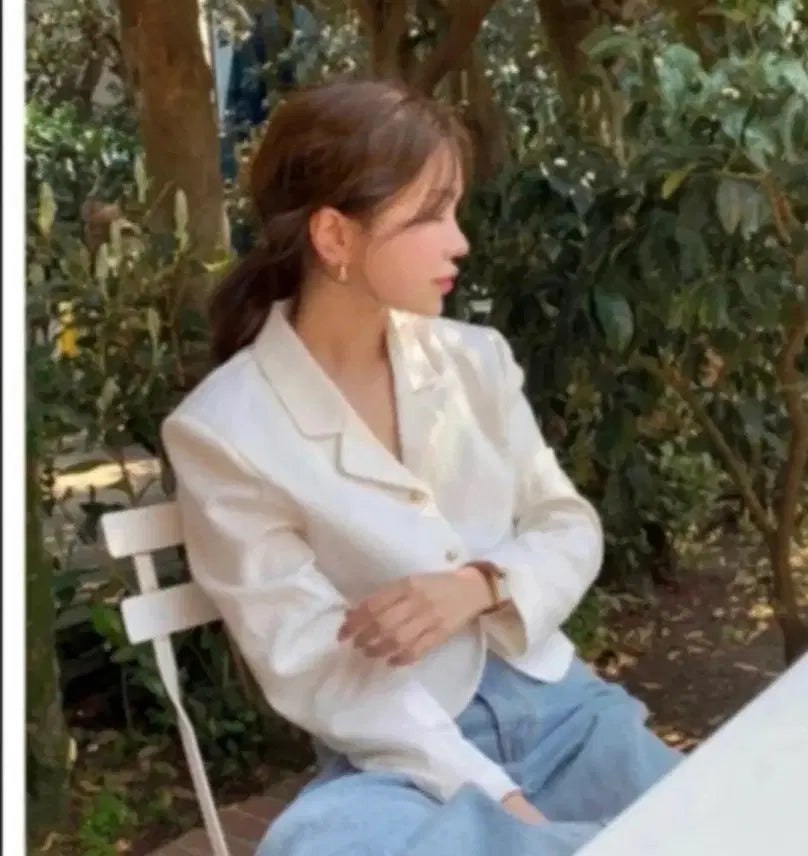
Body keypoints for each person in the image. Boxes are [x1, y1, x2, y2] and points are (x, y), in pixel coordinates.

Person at [162, 78, 681, 856]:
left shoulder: (476, 360)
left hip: (566, 714)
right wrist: (498, 799)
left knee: (727, 822)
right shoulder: (223, 431)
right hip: (397, 747)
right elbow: (311, 659)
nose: (459, 240)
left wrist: (478, 586)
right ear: (335, 236)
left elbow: (566, 524)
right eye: (432, 214)